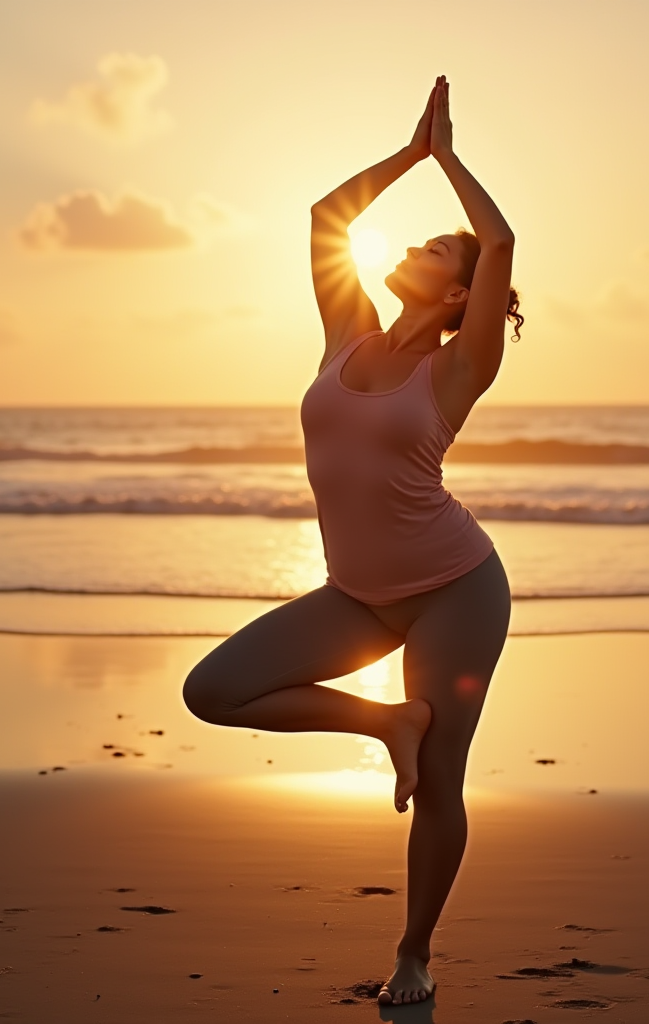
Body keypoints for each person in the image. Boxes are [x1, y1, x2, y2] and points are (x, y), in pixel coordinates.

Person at [182, 75, 522, 1007]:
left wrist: (450, 158)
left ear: (460, 291)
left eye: (434, 247)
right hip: (356, 592)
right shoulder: (345, 335)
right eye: (418, 236)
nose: (414, 243)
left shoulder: (460, 366)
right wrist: (410, 152)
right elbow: (328, 214)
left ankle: (414, 952)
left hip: (456, 585)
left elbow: (498, 240)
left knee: (443, 781)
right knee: (211, 691)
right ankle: (385, 723)